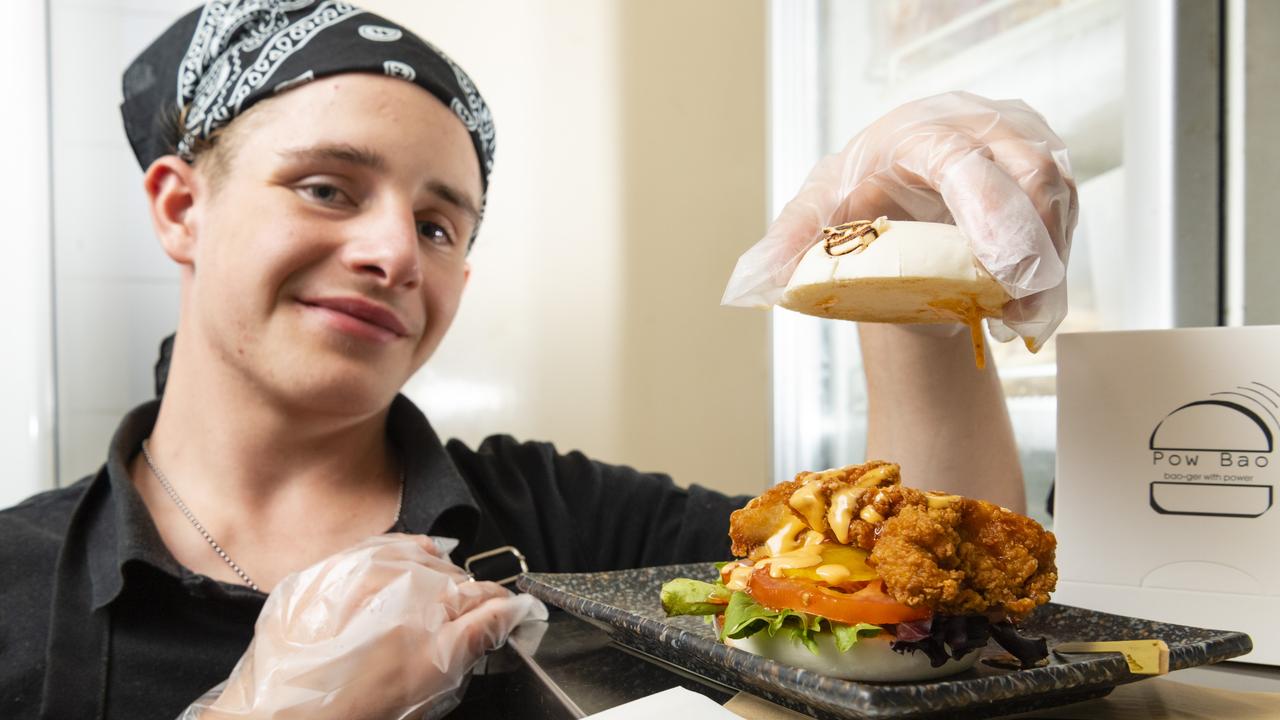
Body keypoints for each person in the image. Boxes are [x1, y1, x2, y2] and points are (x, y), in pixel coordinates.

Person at [0, 2, 1076, 719]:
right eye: (327, 187)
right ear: (181, 206)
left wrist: (915, 283)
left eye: (439, 224)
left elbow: (937, 620)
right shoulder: (14, 585)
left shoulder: (570, 529)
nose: (390, 252)